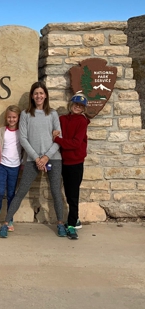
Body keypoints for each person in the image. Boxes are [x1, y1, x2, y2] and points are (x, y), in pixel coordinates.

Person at [0, 81, 64, 238]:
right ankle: (6, 223)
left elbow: (59, 137)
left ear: (46, 95)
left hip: (53, 158)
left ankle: (61, 223)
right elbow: (23, 138)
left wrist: (46, 157)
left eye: (41, 93)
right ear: (32, 96)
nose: (39, 96)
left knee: (56, 191)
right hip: (32, 160)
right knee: (21, 191)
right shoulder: (26, 114)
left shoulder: (53, 114)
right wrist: (37, 158)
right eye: (36, 93)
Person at [52, 93, 90, 240]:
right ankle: (76, 219)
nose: (77, 107)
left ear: (83, 109)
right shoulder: (62, 119)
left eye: (80, 106)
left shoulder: (82, 121)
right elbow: (54, 128)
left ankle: (72, 225)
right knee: (67, 193)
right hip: (63, 161)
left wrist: (58, 140)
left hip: (75, 163)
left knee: (73, 196)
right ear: (71, 104)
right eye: (75, 104)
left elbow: (75, 143)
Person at [0, 105, 22, 232]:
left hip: (15, 166)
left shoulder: (21, 132)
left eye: (14, 117)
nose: (11, 119)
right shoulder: (1, 131)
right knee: (1, 191)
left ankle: (10, 218)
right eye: (9, 117)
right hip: (1, 165)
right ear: (6, 117)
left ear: (18, 118)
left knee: (11, 194)